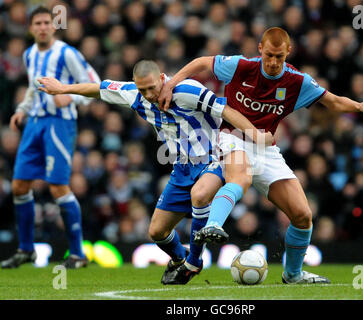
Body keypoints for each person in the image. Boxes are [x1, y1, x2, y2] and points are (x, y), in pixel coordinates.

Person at [158, 27, 363, 284]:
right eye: (269, 55)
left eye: (279, 56)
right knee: (240, 176)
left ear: (288, 52)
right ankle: (213, 225)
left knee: (303, 215)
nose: (274, 62)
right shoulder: (240, 66)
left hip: (266, 148)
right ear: (260, 50)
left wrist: (357, 105)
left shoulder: (297, 82)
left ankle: (293, 274)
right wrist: (171, 84)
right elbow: (202, 63)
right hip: (232, 137)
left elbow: (331, 101)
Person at [37, 60, 273, 284]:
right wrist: (62, 88)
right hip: (181, 167)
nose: (149, 94)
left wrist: (255, 135)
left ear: (162, 78)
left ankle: (193, 262)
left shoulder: (188, 90)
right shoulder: (132, 93)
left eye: (152, 87)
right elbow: (97, 88)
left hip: (215, 156)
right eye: (143, 89)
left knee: (200, 195)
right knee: (157, 232)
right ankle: (181, 258)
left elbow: (226, 110)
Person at [1, 6, 100, 269]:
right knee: (20, 186)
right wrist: (21, 110)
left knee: (58, 187)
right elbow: (35, 86)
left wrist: (72, 96)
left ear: (54, 26)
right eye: (38, 23)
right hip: (34, 122)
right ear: (31, 28)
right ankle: (26, 249)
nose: (43, 27)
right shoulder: (29, 54)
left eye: (47, 22)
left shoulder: (67, 53)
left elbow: (95, 83)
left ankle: (78, 254)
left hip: (60, 124)